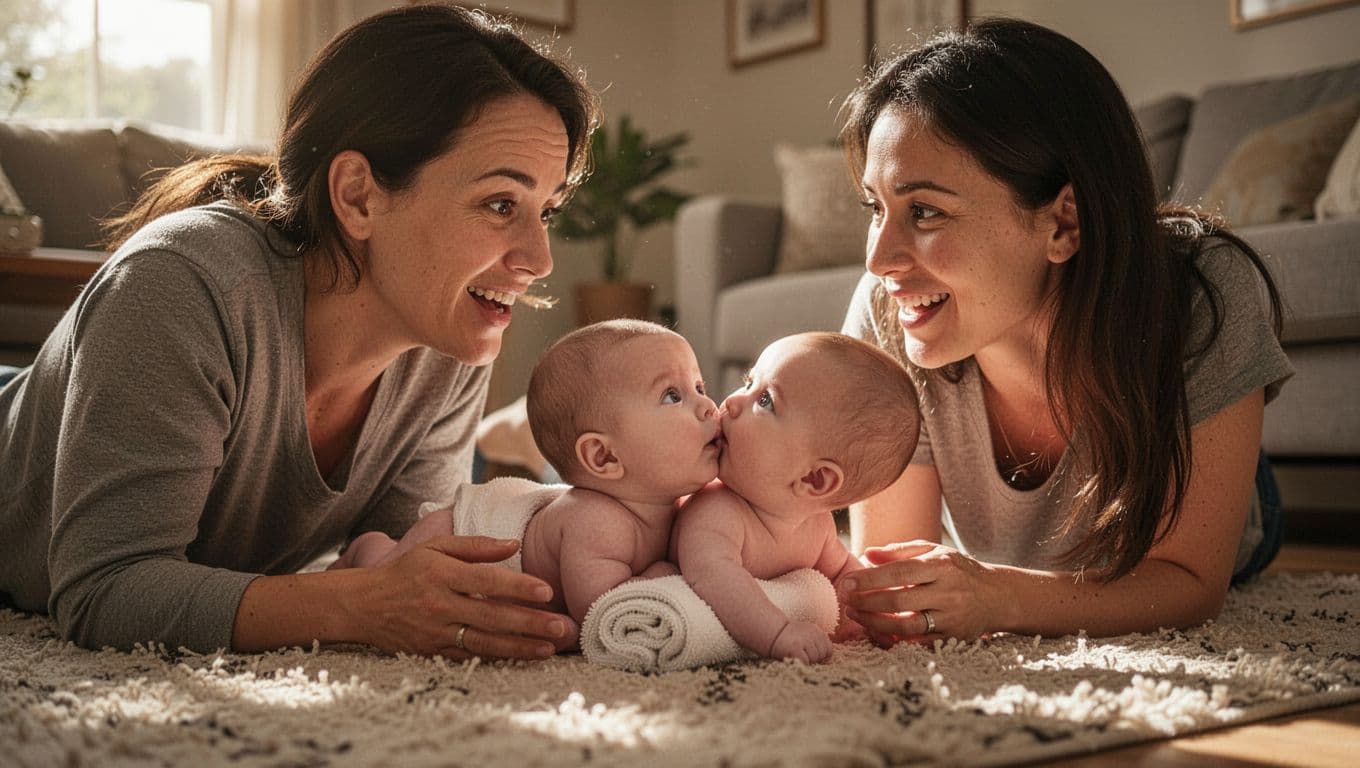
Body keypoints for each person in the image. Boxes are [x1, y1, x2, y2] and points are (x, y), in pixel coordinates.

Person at [0, 4, 600, 660]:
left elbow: (402, 565)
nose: (539, 260)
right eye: (499, 204)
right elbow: (103, 589)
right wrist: (362, 606)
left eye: (547, 210)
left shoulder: (448, 335)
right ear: (358, 196)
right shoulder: (182, 283)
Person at [835, 18, 1293, 645]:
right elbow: (894, 575)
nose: (879, 260)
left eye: (925, 211)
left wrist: (995, 596)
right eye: (875, 209)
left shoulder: (1201, 296)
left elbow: (1189, 580)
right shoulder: (891, 310)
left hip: (1208, 502)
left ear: (1063, 224)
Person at [331, 319, 722, 638]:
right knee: (383, 573)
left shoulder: (679, 503)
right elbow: (600, 614)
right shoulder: (599, 521)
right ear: (603, 456)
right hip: (452, 536)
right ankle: (368, 549)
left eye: (700, 387)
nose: (707, 406)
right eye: (673, 396)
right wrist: (661, 575)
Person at [672, 332, 919, 663]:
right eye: (748, 383)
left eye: (765, 401)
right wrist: (777, 633)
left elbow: (845, 574)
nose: (731, 401)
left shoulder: (817, 528)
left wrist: (880, 617)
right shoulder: (717, 509)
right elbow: (713, 577)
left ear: (814, 479)